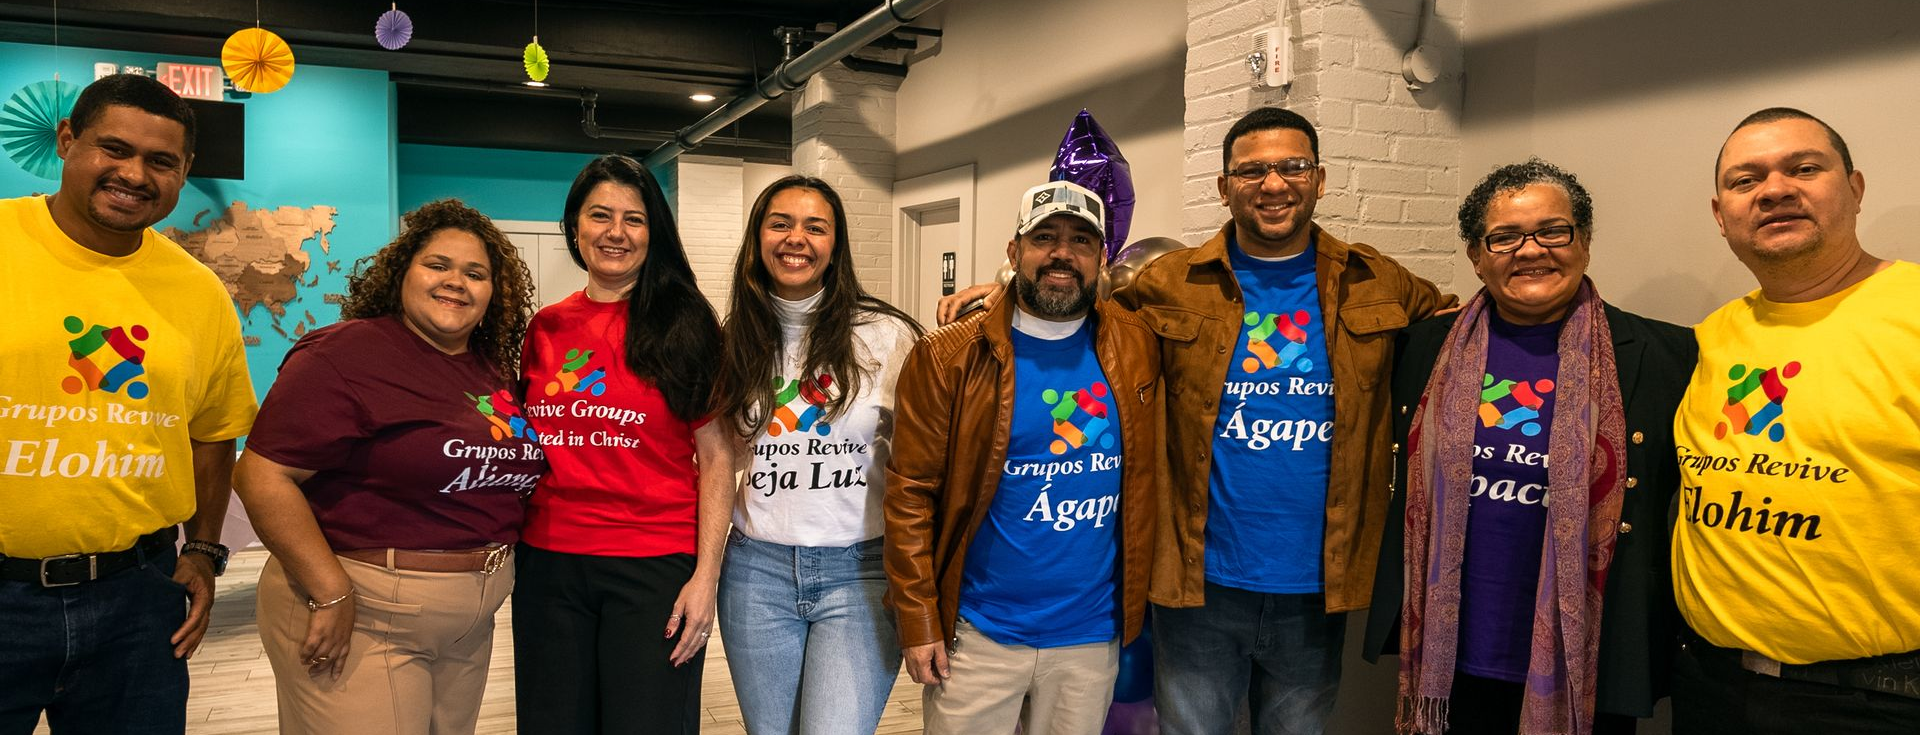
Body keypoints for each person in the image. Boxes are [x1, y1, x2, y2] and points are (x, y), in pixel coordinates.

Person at [1115, 107, 1457, 735]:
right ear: (1224, 187)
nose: (1274, 184)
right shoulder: (1168, 281)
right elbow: (1077, 322)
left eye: (1292, 166)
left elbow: (1463, 329)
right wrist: (999, 299)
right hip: (1198, 579)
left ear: (1320, 178)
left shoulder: (1375, 280)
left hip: (1317, 579)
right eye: (1251, 171)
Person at [1360, 159, 1695, 735]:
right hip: (1456, 651)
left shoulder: (1666, 357)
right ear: (1476, 255)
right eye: (1505, 237)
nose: (1531, 250)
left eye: (1553, 231)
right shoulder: (1422, 349)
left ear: (1584, 242)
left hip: (1592, 652)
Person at [0, 74, 257, 735]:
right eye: (114, 148)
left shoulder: (199, 293)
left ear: (184, 172)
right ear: (66, 141)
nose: (134, 174)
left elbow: (213, 431)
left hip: (138, 601)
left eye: (160, 161)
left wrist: (203, 548)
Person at [232, 199, 542, 734]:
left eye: (476, 273)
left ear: (495, 292)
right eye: (438, 265)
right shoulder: (346, 354)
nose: (457, 283)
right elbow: (261, 476)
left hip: (470, 622)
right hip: (368, 613)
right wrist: (331, 589)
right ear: (403, 271)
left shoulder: (490, 370)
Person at [1668, 108, 1920, 733]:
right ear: (1721, 213)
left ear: (1854, 190)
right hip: (1708, 686)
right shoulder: (1711, 337)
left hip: (1873, 701)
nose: (1775, 190)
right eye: (1745, 180)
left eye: (1804, 168)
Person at [885, 181, 1163, 735]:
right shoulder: (948, 357)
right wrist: (918, 622)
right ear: (1014, 252)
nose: (1063, 253)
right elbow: (910, 495)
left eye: (1082, 240)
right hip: (979, 637)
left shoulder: (1139, 345)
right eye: (1045, 238)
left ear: (1102, 258)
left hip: (1090, 638)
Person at [514, 154, 736, 735]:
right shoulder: (545, 329)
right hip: (549, 564)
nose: (616, 232)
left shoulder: (687, 326)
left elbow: (716, 459)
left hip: (653, 566)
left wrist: (705, 577)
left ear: (653, 232)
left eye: (634, 219)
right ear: (575, 226)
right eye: (600, 215)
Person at [711, 176, 922, 734]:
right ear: (758, 237)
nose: (795, 238)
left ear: (836, 245)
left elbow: (924, 460)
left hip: (862, 573)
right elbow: (724, 456)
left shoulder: (886, 334)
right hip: (756, 572)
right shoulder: (737, 338)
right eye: (780, 223)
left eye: (815, 226)